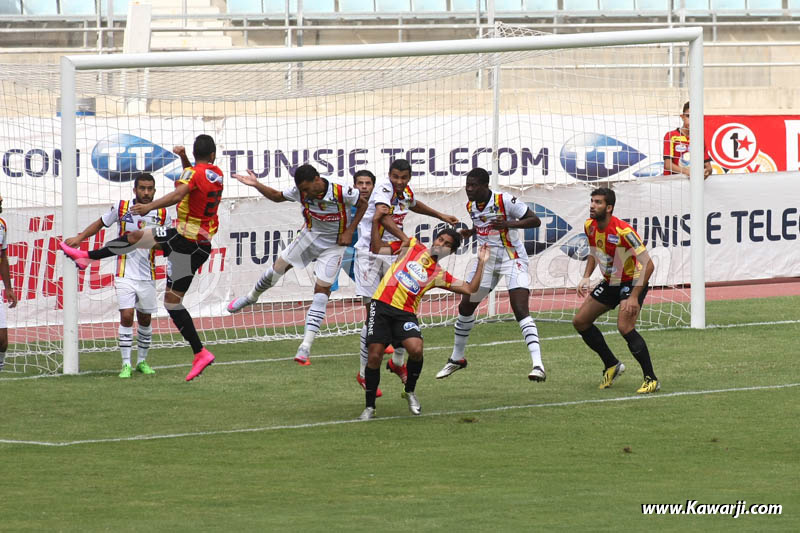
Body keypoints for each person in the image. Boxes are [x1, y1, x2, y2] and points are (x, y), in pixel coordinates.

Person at [60, 134, 223, 382]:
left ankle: (87, 258)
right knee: (172, 302)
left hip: (184, 238)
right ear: (212, 155)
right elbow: (195, 177)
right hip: (200, 246)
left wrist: (149, 207)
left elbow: (180, 193)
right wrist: (183, 158)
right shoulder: (216, 173)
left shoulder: (191, 176)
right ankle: (199, 352)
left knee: (136, 237)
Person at [226, 164, 367, 366]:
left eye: (307, 189)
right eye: (302, 190)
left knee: (321, 292)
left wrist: (349, 230)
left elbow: (362, 204)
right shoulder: (301, 191)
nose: (304, 194)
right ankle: (251, 298)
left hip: (334, 245)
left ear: (318, 180)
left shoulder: (341, 189)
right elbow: (276, 196)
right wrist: (256, 184)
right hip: (309, 237)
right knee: (277, 269)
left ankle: (305, 347)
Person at [359, 210, 490, 421]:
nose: (441, 244)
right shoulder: (412, 246)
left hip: (405, 314)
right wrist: (375, 220)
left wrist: (482, 262)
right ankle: (370, 407)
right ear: (435, 239)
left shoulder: (440, 274)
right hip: (381, 306)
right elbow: (377, 247)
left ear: (451, 251)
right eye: (440, 239)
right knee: (374, 355)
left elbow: (470, 289)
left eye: (447, 244)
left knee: (416, 349)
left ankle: (409, 391)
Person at [353, 159, 460, 392]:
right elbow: (383, 217)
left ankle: (397, 362)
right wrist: (404, 239)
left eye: (403, 178)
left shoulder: (405, 191)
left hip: (393, 254)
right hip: (370, 253)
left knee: (402, 307)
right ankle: (363, 373)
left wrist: (440, 215)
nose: (399, 182)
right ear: (388, 175)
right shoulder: (383, 188)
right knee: (373, 312)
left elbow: (413, 204)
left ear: (409, 178)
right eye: (395, 177)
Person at [435, 167, 546, 382]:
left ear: (485, 186)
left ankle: (538, 365)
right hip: (487, 261)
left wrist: (509, 223)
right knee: (466, 305)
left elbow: (535, 220)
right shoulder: (471, 205)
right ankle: (457, 358)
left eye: (473, 185)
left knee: (520, 308)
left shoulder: (505, 200)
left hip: (512, 259)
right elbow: (483, 226)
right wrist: (471, 232)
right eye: (467, 185)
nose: (469, 189)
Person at [64, 173, 171, 378]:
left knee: (145, 319)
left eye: (150, 189)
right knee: (127, 315)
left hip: (148, 274)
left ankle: (142, 361)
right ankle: (125, 364)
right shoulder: (121, 207)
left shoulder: (162, 213)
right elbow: (100, 223)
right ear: (135, 190)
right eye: (142, 188)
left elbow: (167, 241)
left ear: (155, 191)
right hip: (124, 272)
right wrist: (80, 237)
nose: (146, 192)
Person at [572, 187, 659, 394]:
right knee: (580, 322)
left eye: (598, 202)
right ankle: (612, 364)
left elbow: (649, 265)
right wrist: (586, 275)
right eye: (592, 201)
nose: (593, 205)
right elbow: (594, 252)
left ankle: (651, 379)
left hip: (631, 281)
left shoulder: (623, 231)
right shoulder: (589, 226)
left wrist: (634, 297)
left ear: (609, 207)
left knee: (625, 327)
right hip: (612, 280)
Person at [663, 101, 712, 179]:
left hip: (692, 185)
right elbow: (668, 165)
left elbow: (708, 167)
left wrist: (706, 172)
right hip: (672, 183)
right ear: (682, 117)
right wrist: (688, 172)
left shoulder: (699, 139)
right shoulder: (671, 136)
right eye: (688, 116)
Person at [0, 193, 18, 371]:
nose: (1, 200)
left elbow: (3, 256)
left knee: (2, 340)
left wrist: (8, 287)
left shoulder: (2, 225)